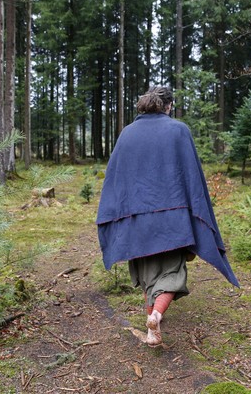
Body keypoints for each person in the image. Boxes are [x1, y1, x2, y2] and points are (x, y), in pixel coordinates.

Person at [96, 86, 239, 346]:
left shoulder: (127, 133)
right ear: (168, 106)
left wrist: (116, 217)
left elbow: (115, 179)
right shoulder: (178, 130)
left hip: (135, 220)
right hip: (171, 221)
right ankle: (157, 314)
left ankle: (153, 328)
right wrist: (195, 216)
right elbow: (191, 178)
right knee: (172, 273)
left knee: (148, 275)